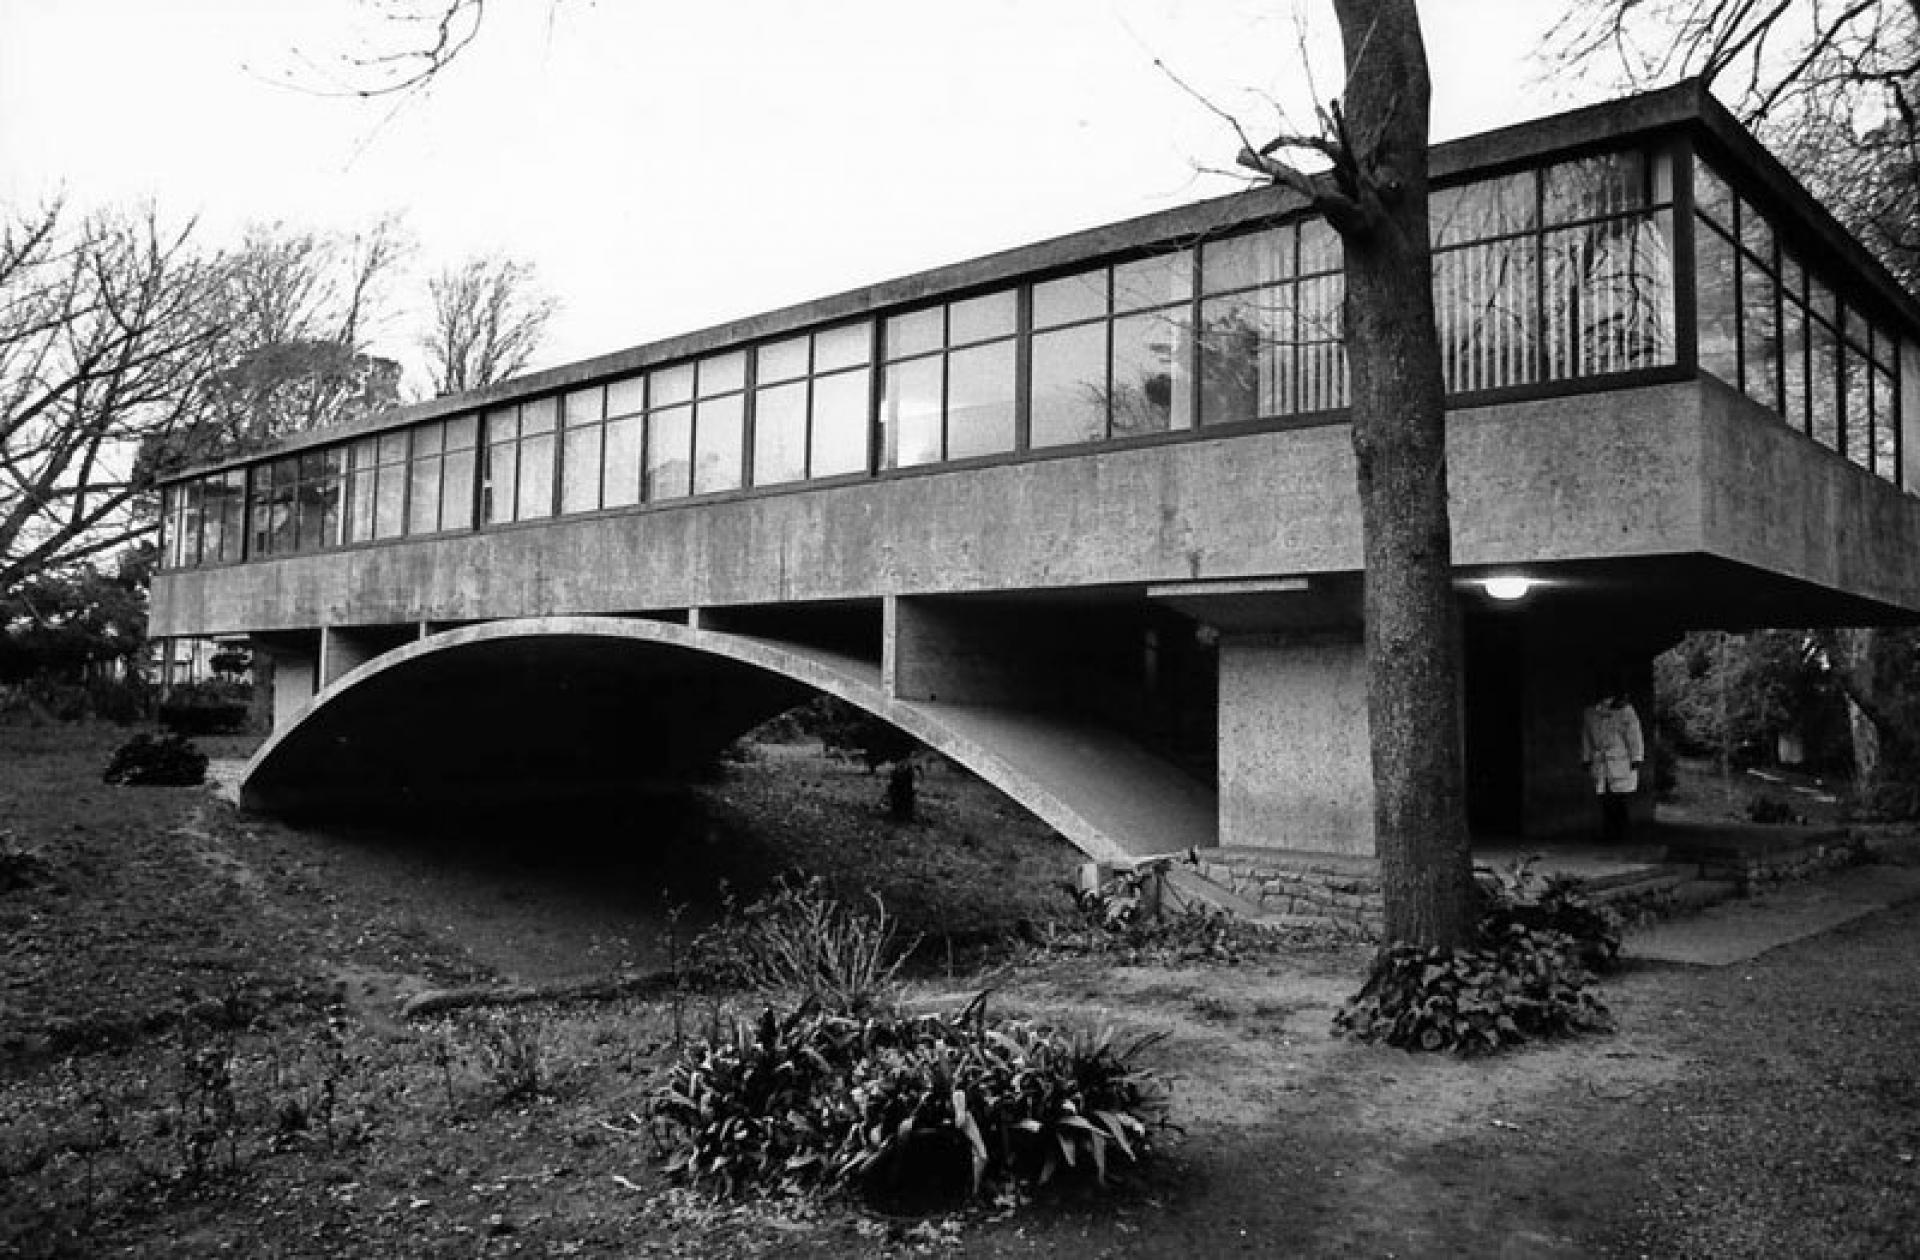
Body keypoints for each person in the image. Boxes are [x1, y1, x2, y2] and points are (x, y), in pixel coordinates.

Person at [1581, 675, 1645, 844]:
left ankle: (1622, 833)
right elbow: (1587, 736)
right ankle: (1609, 833)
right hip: (1600, 762)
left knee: (1619, 799)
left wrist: (1636, 757)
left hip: (1620, 761)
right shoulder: (1590, 713)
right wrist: (1586, 757)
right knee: (1605, 800)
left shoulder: (1625, 711)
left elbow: (1634, 735)